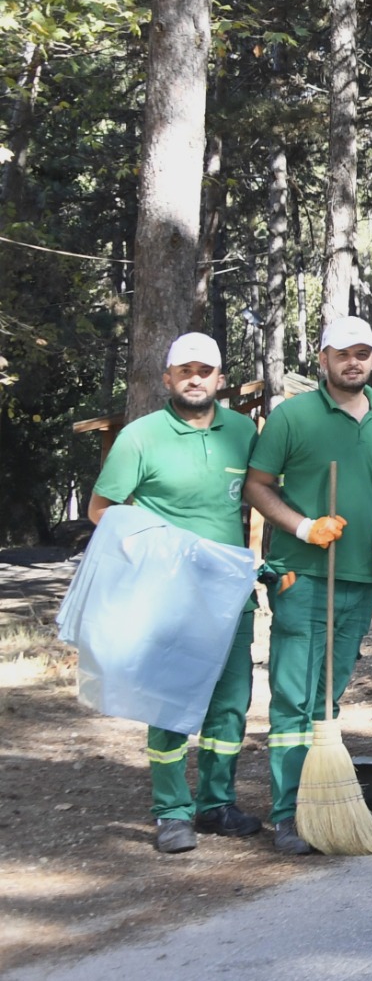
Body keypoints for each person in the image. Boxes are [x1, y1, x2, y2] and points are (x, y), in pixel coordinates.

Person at [88, 333, 264, 853]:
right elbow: (101, 509)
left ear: (220, 380)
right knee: (168, 704)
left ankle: (216, 804)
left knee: (230, 705)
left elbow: (258, 495)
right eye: (184, 370)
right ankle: (171, 812)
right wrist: (152, 543)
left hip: (230, 593)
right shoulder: (140, 438)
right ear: (166, 379)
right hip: (168, 596)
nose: (194, 378)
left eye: (204, 370)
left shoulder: (242, 432)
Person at [244, 315, 372, 856]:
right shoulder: (293, 416)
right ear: (323, 360)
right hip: (304, 574)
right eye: (343, 353)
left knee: (328, 698)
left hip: (361, 577)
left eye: (363, 352)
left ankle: (321, 801)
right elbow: (256, 486)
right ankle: (289, 815)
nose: (353, 361)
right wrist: (302, 526)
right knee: (294, 696)